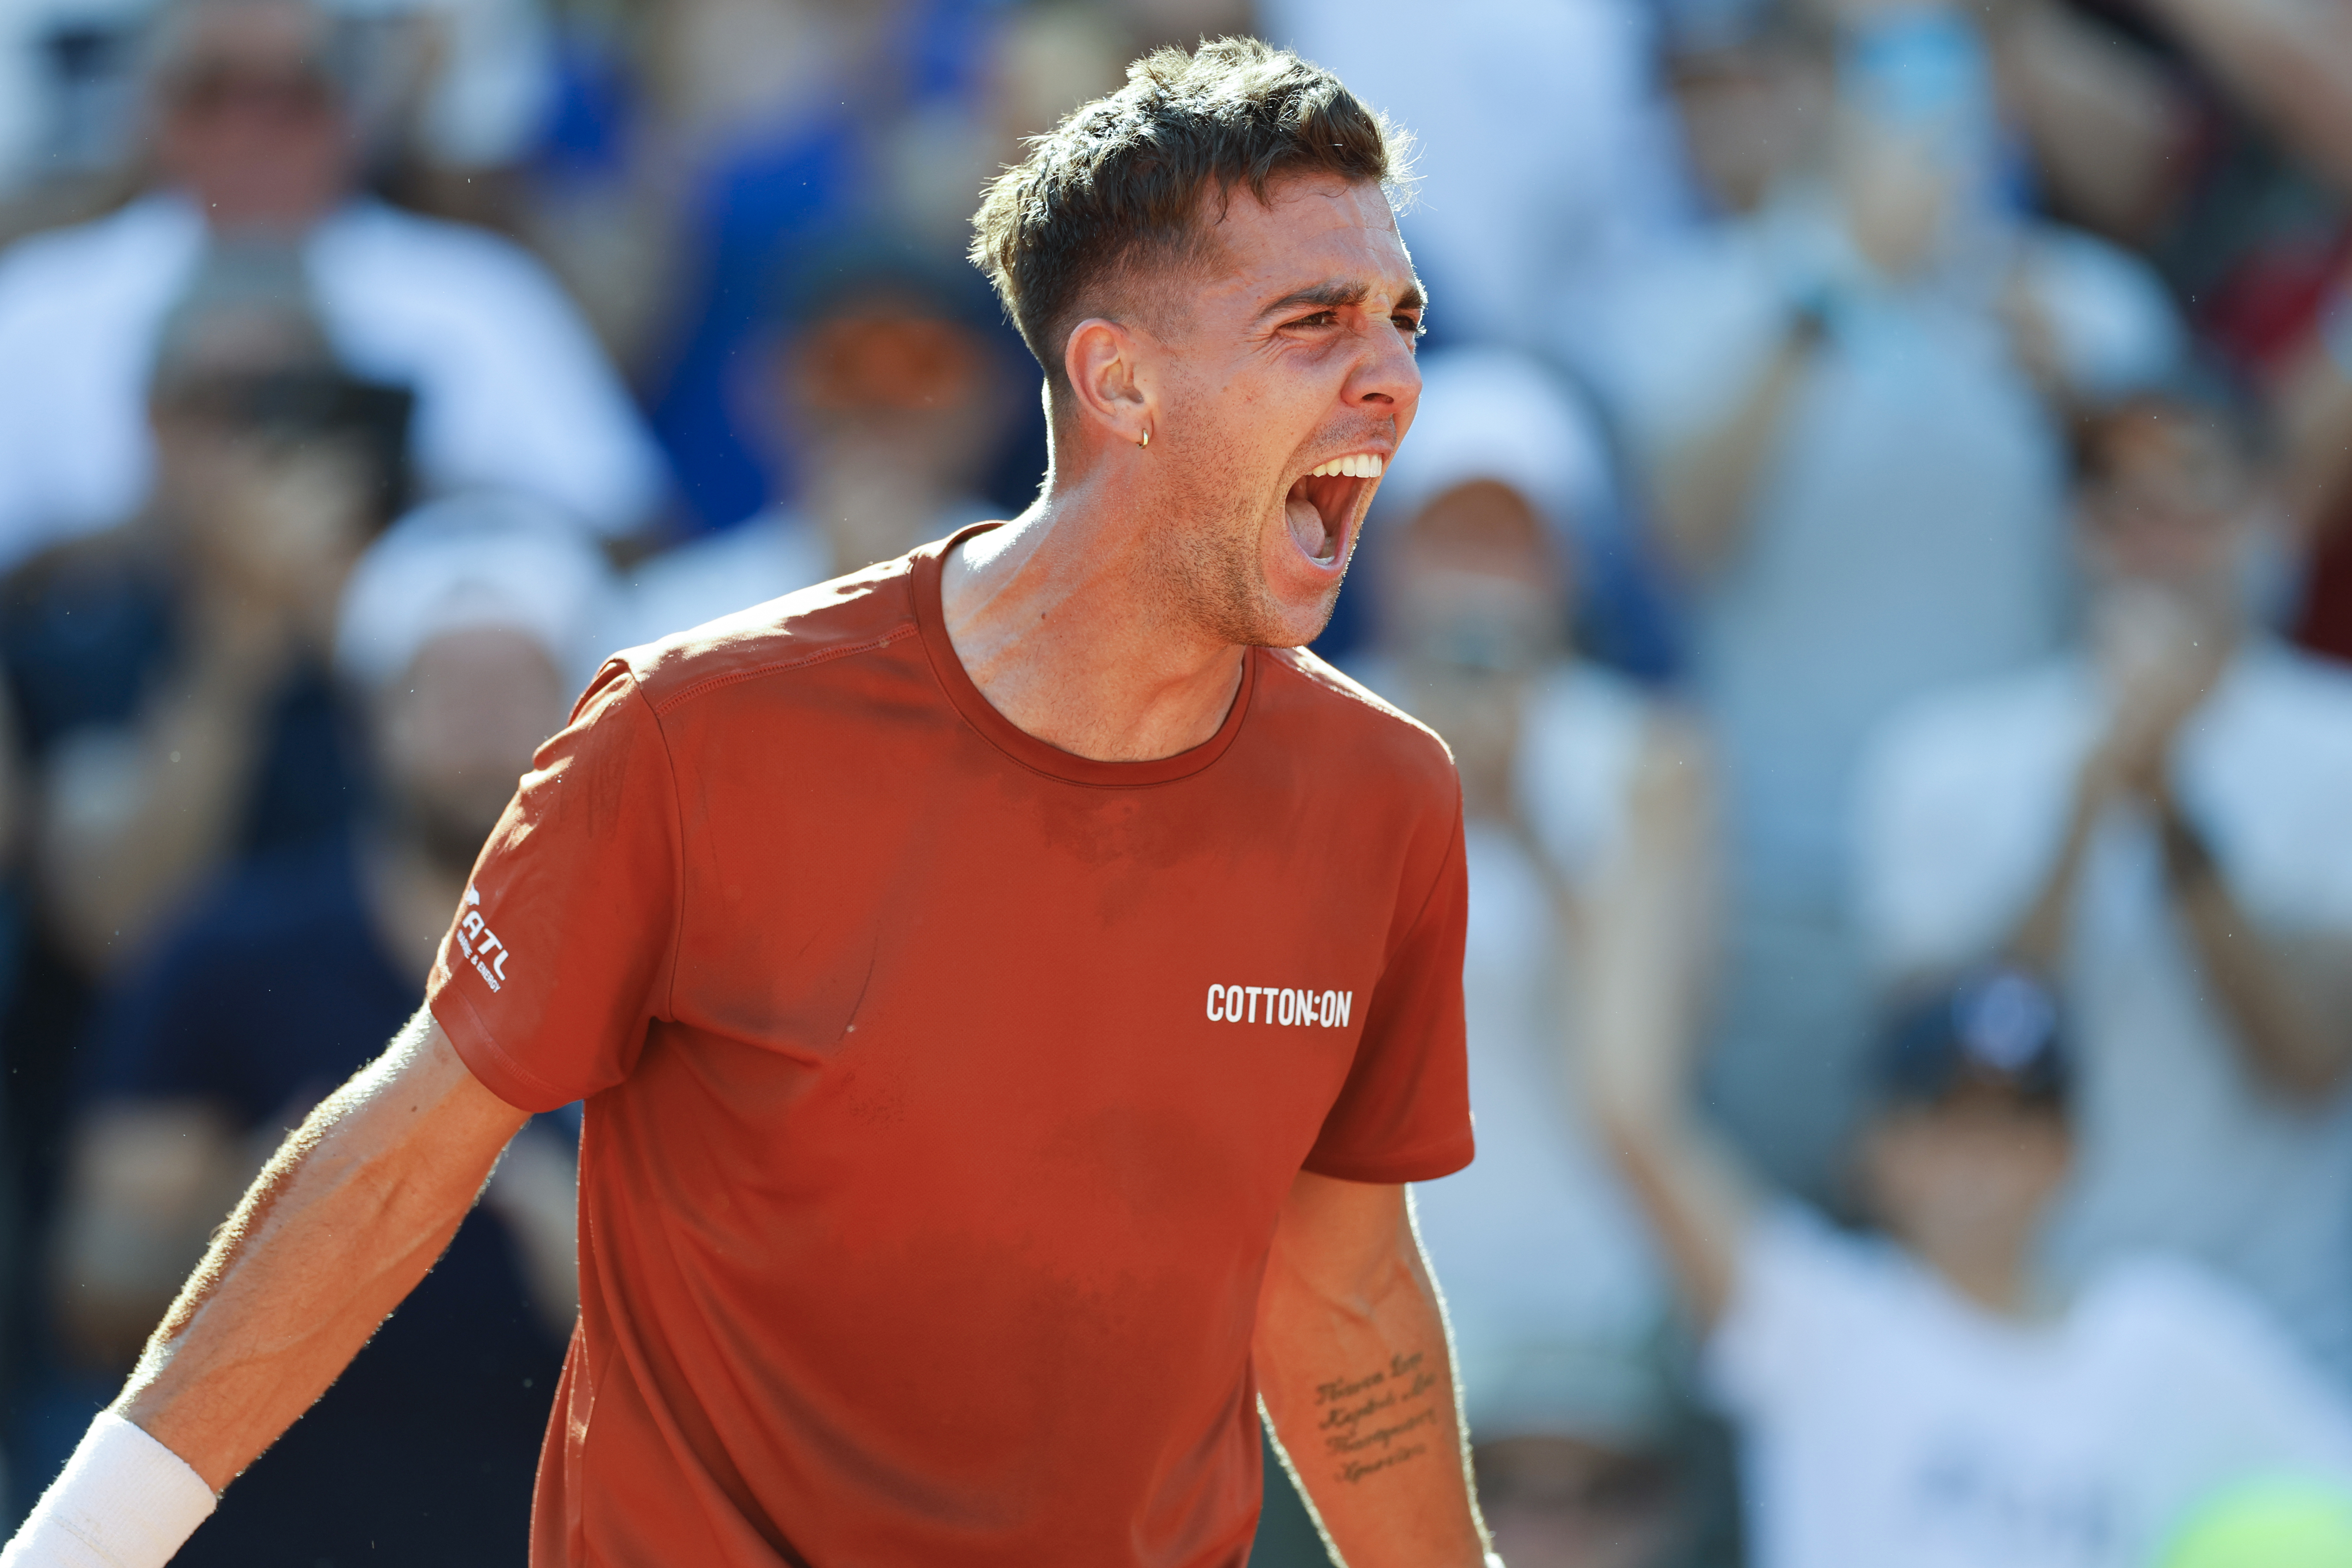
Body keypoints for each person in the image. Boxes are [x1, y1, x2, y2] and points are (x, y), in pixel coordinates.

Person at [4, 38, 1497, 1568]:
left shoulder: (1385, 796)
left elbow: (1341, 1287)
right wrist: (76, 1550)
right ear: (1118, 381)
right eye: (1313, 323)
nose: (1389, 377)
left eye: (1400, 319)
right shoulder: (689, 730)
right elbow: (399, 1166)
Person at [1584, 3, 2185, 1200]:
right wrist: (1835, 295)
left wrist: (2073, 402)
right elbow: (1669, 544)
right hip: (1777, 900)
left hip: (2023, 892)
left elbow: (2181, 564)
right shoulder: (1685, 304)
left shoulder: (2095, 312)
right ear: (1811, 91)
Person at [47, 498, 600, 1566]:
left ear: (585, 715)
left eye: (514, 685)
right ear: (370, 718)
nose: (480, 725)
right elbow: (90, 1293)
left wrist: (595, 1259)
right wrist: (269, 1206)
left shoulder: (680, 974)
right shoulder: (225, 953)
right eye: (443, 687)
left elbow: (787, 1351)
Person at [1857, 389, 2352, 1384]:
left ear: (2259, 516)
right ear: (2074, 527)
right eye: (2123, 506)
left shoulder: (2333, 749)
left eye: (2192, 502)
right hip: (2013, 1342)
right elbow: (1945, 1073)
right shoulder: (1940, 758)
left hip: (2278, 1344)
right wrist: (2085, 809)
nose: (2156, 541)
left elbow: (2307, 1056)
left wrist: (2168, 809)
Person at [1589, 947, 2352, 1568]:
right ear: (1875, 1148)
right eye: (1945, 1119)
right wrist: (1659, 829)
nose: (1980, 1161)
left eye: (2015, 1121)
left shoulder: (2170, 1335)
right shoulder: (1821, 1316)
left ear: (2070, 1153)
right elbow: (1632, 1118)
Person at [1355, 348, 1698, 1568]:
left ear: (1564, 566)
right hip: (1378, 1306)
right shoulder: (1293, 735)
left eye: (1508, 541)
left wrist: (1518, 826)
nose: (1476, 578)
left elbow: (1652, 1049)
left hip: (1590, 1312)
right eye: (1448, 538)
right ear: (1388, 557)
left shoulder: (1649, 757)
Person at [0, 0, 663, 571]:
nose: (249, 130)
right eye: (211, 94)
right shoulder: (41, 304)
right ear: (154, 114)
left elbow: (628, 535)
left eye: (293, 97)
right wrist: (163, 534)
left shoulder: (475, 296)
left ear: (354, 115)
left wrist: (404, 504)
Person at [613, 235, 1019, 650]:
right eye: (840, 365)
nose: (878, 398)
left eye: (923, 365)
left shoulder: (1046, 585)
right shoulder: (671, 613)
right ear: (766, 388)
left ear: (993, 395)